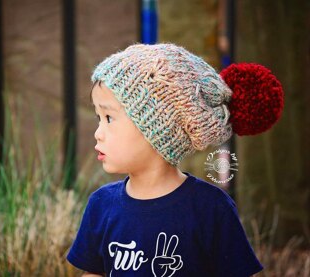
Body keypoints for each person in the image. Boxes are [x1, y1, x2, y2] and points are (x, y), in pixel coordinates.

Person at [66, 43, 284, 277]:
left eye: (109, 118)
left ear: (158, 129)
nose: (98, 132)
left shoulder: (210, 210)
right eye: (98, 117)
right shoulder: (101, 205)